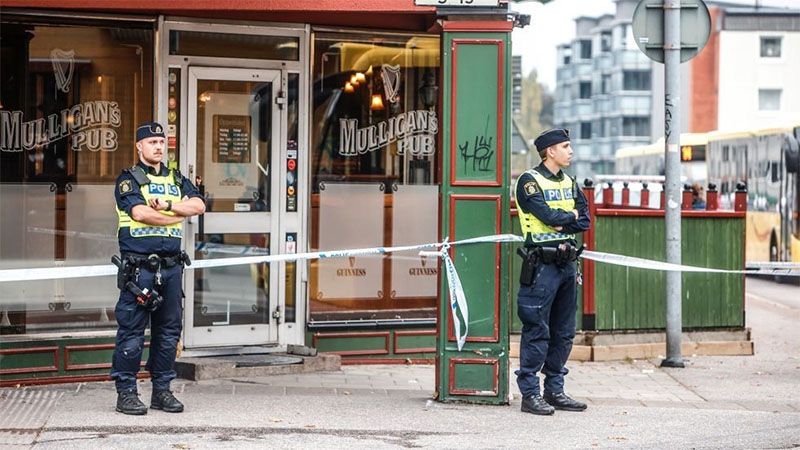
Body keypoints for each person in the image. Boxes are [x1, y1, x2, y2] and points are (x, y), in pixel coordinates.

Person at [111, 121, 205, 415]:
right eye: (152, 142)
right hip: (140, 270)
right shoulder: (129, 180)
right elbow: (140, 213)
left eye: (162, 142)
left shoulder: (176, 179)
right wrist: (177, 213)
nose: (159, 147)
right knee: (132, 332)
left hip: (171, 269)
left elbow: (200, 205)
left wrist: (166, 206)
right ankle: (126, 393)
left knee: (168, 333)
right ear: (139, 146)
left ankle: (161, 391)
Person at [514, 128, 591, 416]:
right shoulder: (529, 182)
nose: (570, 151)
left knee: (564, 331)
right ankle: (530, 394)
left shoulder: (571, 182)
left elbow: (584, 221)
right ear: (550, 152)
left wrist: (565, 221)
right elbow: (546, 217)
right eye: (565, 146)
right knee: (537, 328)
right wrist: (564, 218)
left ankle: (555, 390)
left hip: (567, 264)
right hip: (541, 265)